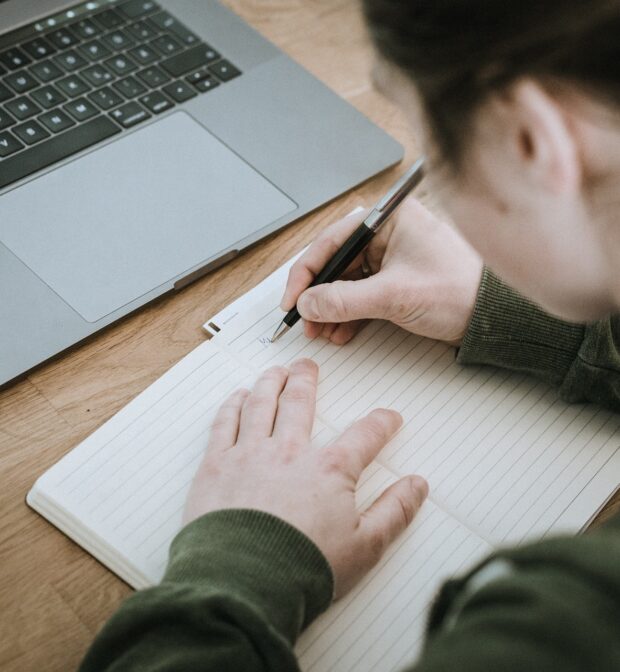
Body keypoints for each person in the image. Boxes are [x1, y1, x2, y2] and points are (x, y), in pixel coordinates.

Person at [80, 1, 620, 670]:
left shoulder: (560, 631)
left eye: (432, 163)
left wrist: (245, 563)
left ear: (534, 144)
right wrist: (525, 307)